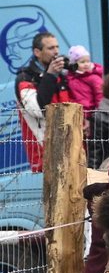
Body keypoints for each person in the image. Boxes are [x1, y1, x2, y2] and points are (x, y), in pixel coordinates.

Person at [14, 32, 71, 172]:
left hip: (69, 148)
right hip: (43, 151)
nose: (56, 51)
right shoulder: (25, 78)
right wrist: (50, 75)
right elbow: (37, 109)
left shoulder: (61, 75)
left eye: (57, 47)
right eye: (51, 48)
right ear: (37, 52)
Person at [64, 45, 103, 115]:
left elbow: (100, 94)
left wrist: (99, 111)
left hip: (91, 113)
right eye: (82, 62)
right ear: (74, 64)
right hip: (75, 113)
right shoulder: (70, 77)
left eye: (88, 61)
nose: (86, 64)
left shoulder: (94, 78)